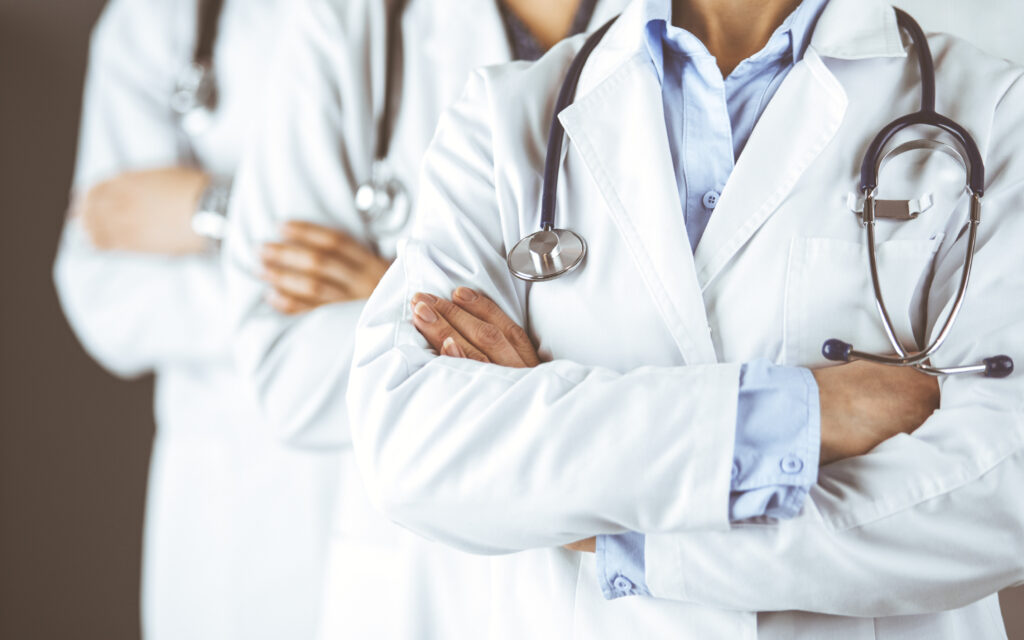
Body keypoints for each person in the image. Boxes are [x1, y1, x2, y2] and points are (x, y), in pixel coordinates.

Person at [347, 0, 1024, 637]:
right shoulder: (503, 116)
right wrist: (800, 415)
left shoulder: (996, 113)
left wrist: (623, 538)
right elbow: (412, 444)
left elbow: (1001, 494)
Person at [223, 0, 630, 637]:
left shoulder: (701, 20)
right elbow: (287, 374)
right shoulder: (350, 21)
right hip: (417, 589)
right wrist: (552, 343)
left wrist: (390, 303)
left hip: (624, 585)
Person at [53, 1, 340, 637]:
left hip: (399, 492)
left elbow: (454, 245)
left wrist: (212, 214)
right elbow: (106, 289)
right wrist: (334, 280)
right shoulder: (162, 20)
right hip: (229, 510)